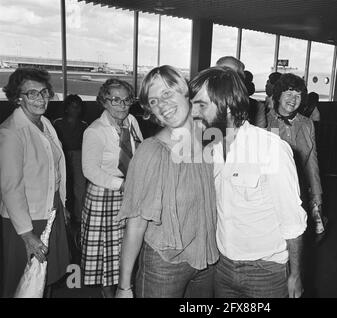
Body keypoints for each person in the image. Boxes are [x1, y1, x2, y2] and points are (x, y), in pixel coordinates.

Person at [190, 66, 308, 298]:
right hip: (223, 266)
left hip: (264, 272)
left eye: (202, 105)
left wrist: (295, 275)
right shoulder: (209, 148)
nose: (194, 112)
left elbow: (293, 222)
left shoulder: (270, 149)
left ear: (229, 106)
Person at [115, 65, 218, 298]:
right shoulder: (151, 152)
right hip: (164, 266)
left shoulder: (210, 142)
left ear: (185, 92)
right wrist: (124, 286)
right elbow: (136, 224)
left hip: (208, 261)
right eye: (153, 101)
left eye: (167, 93)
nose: (161, 105)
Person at [0, 68, 70, 297]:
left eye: (44, 92)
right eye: (32, 93)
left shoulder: (45, 123)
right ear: (17, 97)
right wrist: (26, 234)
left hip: (50, 212)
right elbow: (11, 187)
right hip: (27, 220)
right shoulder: (11, 132)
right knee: (22, 282)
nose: (41, 99)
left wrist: (62, 204)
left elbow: (54, 170)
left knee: (44, 278)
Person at [81, 78, 143, 298]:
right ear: (103, 102)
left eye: (127, 100)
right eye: (115, 100)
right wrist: (122, 184)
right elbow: (89, 170)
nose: (122, 105)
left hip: (129, 190)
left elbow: (139, 154)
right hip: (104, 193)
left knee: (126, 250)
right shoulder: (95, 131)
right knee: (107, 260)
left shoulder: (132, 121)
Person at [267, 73, 325, 236]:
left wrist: (317, 194)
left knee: (296, 236)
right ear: (278, 96)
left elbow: (312, 162)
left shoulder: (307, 124)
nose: (293, 99)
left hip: (299, 192)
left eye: (298, 95)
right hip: (271, 194)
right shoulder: (264, 122)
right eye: (289, 94)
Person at [53, 94, 88, 250]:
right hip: (63, 155)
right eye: (73, 106)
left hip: (79, 155)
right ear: (67, 108)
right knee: (63, 186)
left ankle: (80, 217)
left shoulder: (83, 125)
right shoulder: (57, 124)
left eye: (78, 106)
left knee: (80, 187)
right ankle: (63, 215)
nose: (76, 109)